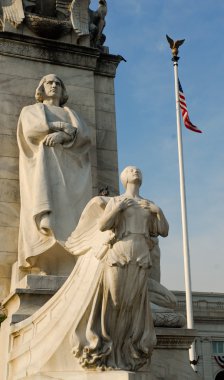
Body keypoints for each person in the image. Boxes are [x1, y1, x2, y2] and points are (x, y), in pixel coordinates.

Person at [67, 166, 169, 370]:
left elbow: (163, 231)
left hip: (141, 255)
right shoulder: (116, 200)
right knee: (114, 300)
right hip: (119, 252)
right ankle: (105, 349)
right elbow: (103, 225)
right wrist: (118, 209)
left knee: (132, 303)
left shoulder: (149, 205)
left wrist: (159, 213)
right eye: (131, 170)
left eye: (138, 170)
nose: (136, 172)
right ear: (124, 178)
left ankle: (126, 353)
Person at [17, 74, 92, 275]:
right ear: (41, 89)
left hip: (71, 174)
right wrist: (59, 126)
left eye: (58, 83)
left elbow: (85, 138)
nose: (54, 85)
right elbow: (32, 131)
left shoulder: (72, 114)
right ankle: (42, 265)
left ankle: (72, 265)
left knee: (72, 221)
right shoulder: (32, 110)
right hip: (43, 172)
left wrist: (64, 137)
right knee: (44, 217)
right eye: (49, 82)